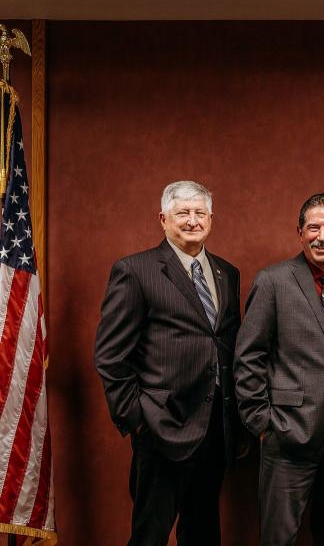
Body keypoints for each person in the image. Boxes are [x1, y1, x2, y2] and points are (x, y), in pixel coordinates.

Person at [94, 180, 242, 546]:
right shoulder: (136, 270)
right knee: (150, 534)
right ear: (163, 219)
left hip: (215, 428)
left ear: (211, 218)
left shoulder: (227, 272)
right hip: (161, 428)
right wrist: (138, 418)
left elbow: (226, 343)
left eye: (200, 213)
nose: (192, 221)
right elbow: (110, 356)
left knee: (204, 532)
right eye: (182, 213)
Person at [234, 193, 324, 546]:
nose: (322, 236)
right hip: (287, 437)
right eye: (313, 228)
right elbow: (247, 357)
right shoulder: (273, 281)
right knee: (279, 539)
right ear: (300, 233)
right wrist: (262, 424)